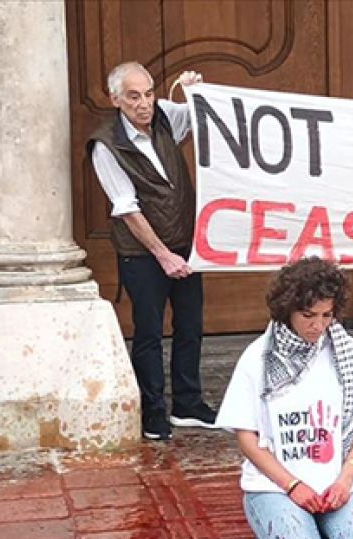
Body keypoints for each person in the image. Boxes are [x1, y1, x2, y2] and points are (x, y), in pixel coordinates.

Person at [216, 257, 353, 539]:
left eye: (327, 315)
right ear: (288, 310)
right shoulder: (257, 358)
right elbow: (247, 439)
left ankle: (322, 532)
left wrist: (346, 478)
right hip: (276, 483)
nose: (318, 325)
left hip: (338, 477)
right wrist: (292, 486)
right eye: (308, 315)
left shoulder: (347, 351)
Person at [88, 62, 217, 440]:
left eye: (148, 93)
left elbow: (201, 115)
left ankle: (188, 404)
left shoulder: (164, 117)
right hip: (143, 255)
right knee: (148, 332)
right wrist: (163, 255)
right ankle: (153, 412)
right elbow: (127, 208)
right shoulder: (106, 146)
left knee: (190, 326)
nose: (144, 104)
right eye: (133, 96)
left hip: (184, 244)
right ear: (115, 99)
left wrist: (195, 89)